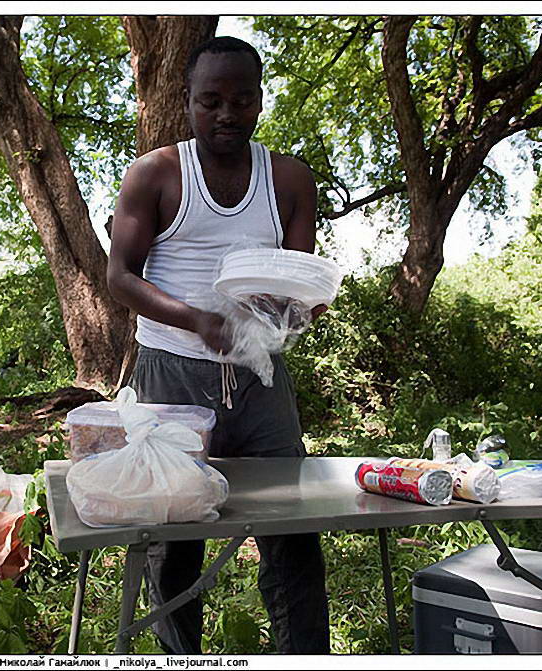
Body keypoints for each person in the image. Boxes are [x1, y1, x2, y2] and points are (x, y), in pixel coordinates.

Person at [106, 36, 330, 654]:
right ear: (187, 103)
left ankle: (304, 658)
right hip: (171, 377)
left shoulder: (287, 178)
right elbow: (119, 276)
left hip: (260, 381)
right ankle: (181, 657)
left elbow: (295, 277)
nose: (226, 114)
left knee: (294, 528)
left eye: (240, 100)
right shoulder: (155, 174)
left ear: (259, 102)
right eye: (210, 101)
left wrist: (298, 308)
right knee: (175, 535)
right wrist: (196, 320)